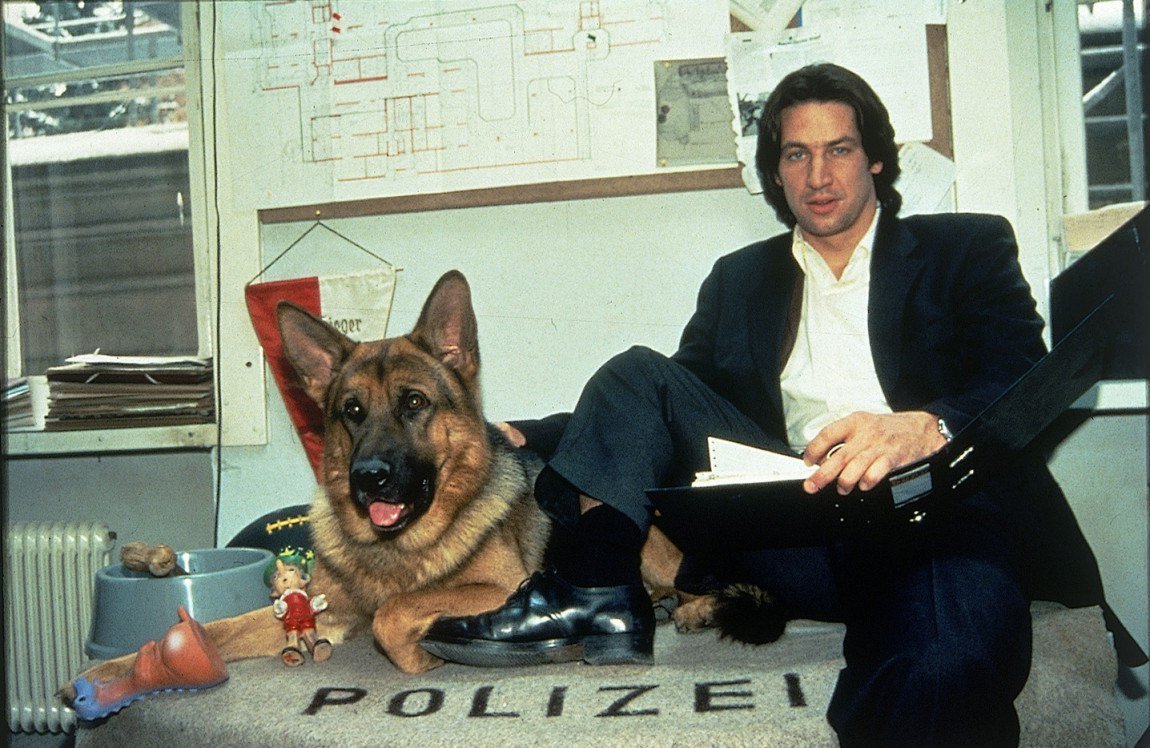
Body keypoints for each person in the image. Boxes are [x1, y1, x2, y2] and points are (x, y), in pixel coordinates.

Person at [422, 63, 1129, 746]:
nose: (818, 176)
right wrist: (530, 432)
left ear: (876, 158)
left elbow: (1022, 376)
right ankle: (593, 591)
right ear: (776, 170)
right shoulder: (740, 279)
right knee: (636, 371)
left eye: (838, 149)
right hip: (798, 527)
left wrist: (927, 425)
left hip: (932, 511)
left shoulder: (964, 248)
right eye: (797, 154)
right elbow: (675, 400)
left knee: (941, 661)